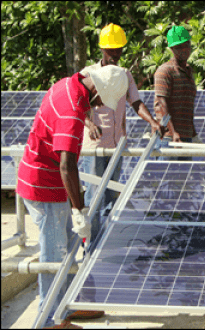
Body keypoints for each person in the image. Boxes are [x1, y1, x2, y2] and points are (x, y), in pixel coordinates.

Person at [16, 65, 129, 329]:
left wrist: (75, 202)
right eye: (102, 98)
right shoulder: (72, 110)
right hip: (44, 185)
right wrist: (79, 210)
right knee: (54, 256)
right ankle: (49, 320)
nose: (101, 104)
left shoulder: (69, 84)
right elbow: (67, 165)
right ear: (97, 89)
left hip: (50, 181)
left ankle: (67, 306)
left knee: (67, 246)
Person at [81, 23, 166, 247]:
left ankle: (105, 244)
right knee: (94, 196)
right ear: (102, 50)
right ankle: (89, 244)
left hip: (117, 145)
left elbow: (135, 103)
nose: (116, 55)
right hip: (95, 146)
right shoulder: (88, 74)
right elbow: (76, 107)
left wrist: (153, 122)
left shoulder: (124, 75)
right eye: (112, 50)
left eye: (119, 50)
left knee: (110, 195)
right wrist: (89, 124)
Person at [154, 25, 197, 161]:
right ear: (172, 49)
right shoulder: (165, 71)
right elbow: (162, 103)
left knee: (182, 180)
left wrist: (193, 134)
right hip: (168, 138)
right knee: (166, 179)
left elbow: (187, 107)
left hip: (185, 137)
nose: (184, 50)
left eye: (186, 45)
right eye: (179, 47)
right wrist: (173, 133)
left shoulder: (189, 71)